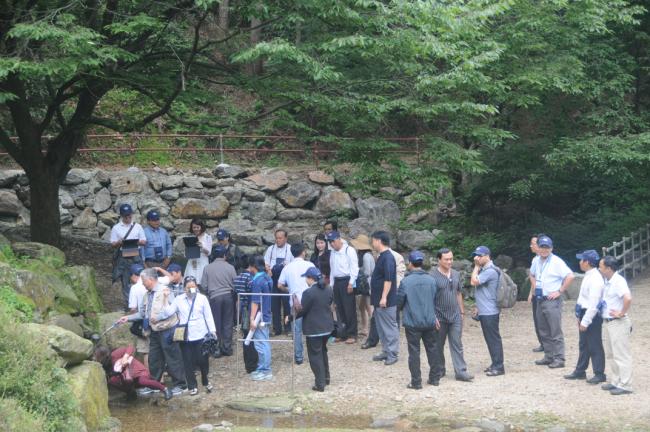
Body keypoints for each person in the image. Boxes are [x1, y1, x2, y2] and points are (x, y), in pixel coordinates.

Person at [118, 268, 187, 395]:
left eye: (143, 281)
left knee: (173, 357)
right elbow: (142, 313)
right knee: (154, 359)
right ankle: (154, 384)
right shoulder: (147, 295)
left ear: (150, 279)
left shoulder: (165, 291)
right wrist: (128, 318)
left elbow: (174, 309)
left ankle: (181, 385)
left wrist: (159, 317)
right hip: (154, 331)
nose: (142, 284)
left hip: (168, 330)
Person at [158, 275, 217, 396]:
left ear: (196, 287)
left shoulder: (202, 298)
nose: (191, 289)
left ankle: (205, 380)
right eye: (188, 287)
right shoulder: (179, 299)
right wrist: (165, 298)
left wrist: (212, 331)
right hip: (186, 336)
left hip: (201, 334)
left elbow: (208, 315)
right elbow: (168, 312)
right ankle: (192, 386)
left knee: (202, 360)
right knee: (188, 362)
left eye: (193, 287)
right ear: (184, 288)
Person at [397, 251, 440, 389]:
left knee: (414, 352)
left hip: (413, 322)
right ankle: (434, 378)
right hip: (429, 321)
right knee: (432, 349)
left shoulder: (405, 282)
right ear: (422, 263)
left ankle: (416, 382)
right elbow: (435, 299)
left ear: (410, 263)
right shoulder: (431, 280)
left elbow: (399, 303)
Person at [531, 235, 575, 369]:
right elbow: (532, 274)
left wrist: (559, 291)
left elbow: (570, 276)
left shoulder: (557, 261)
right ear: (538, 247)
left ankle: (559, 358)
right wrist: (534, 287)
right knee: (543, 329)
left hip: (552, 300)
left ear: (551, 248)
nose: (544, 250)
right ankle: (549, 356)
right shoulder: (536, 260)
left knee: (555, 330)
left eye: (547, 247)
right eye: (542, 247)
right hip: (540, 298)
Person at [564, 250, 606, 384]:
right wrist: (578, 314)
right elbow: (583, 297)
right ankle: (580, 370)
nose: (580, 262)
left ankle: (599, 373)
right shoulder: (589, 275)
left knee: (594, 344)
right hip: (584, 312)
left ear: (587, 262)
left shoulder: (595, 279)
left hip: (591, 315)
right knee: (584, 343)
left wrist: (586, 321)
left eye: (582, 260)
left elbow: (594, 303)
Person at [431, 248, 473, 382]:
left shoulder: (455, 274)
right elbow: (429, 298)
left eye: (451, 259)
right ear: (439, 260)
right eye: (446, 259)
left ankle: (461, 371)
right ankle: (439, 369)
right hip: (439, 316)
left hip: (455, 315)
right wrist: (433, 316)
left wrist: (462, 312)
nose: (450, 262)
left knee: (457, 344)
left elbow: (458, 293)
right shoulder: (432, 276)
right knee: (438, 345)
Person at [599, 256, 633, 395]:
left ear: (608, 268)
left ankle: (626, 384)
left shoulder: (619, 281)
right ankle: (616, 380)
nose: (599, 269)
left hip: (617, 322)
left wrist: (621, 312)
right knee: (611, 353)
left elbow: (628, 298)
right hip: (608, 321)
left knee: (621, 354)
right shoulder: (608, 282)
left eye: (601, 267)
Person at [297, 267, 334, 392]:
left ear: (311, 279)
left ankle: (320, 383)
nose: (305, 280)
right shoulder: (328, 289)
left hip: (314, 329)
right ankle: (326, 378)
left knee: (315, 356)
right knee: (323, 352)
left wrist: (291, 317)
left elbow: (302, 310)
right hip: (327, 327)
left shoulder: (308, 293)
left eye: (306, 278)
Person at [278, 243, 315, 365]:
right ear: (303, 252)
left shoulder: (287, 267)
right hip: (310, 301)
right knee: (312, 328)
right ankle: (314, 353)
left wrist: (289, 290)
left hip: (295, 302)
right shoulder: (310, 265)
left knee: (297, 330)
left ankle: (299, 357)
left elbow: (279, 285)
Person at [470, 246, 505, 377]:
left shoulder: (489, 271)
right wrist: (478, 307)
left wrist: (476, 266)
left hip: (490, 311)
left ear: (487, 256)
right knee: (490, 339)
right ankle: (495, 363)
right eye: (476, 255)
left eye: (479, 256)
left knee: (493, 339)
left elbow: (474, 281)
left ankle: (499, 367)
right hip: (486, 310)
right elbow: (483, 291)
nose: (477, 258)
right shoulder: (486, 269)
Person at [94, 345, 172, 400]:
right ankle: (131, 393)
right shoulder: (103, 365)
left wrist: (125, 357)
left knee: (142, 381)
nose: (95, 358)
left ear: (103, 355)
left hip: (138, 372)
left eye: (97, 356)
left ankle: (165, 389)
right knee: (112, 381)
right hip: (126, 378)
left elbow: (130, 347)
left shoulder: (115, 354)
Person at [370, 231, 399, 365]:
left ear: (379, 241)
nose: (372, 243)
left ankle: (392, 353)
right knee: (381, 327)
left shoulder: (388, 257)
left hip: (386, 301)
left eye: (373, 240)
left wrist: (384, 297)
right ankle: (386, 351)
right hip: (379, 300)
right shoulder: (382, 256)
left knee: (389, 327)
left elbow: (388, 279)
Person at [201, 245, 237, 356]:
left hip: (214, 297)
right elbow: (235, 284)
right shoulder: (230, 267)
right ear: (224, 256)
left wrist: (210, 293)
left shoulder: (207, 268)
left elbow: (203, 286)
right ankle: (226, 347)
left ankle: (216, 349)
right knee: (228, 322)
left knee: (215, 323)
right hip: (228, 296)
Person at [110, 203, 146, 308]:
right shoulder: (116, 228)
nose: (128, 218)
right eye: (126, 216)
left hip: (136, 254)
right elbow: (112, 244)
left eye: (130, 215)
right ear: (122, 216)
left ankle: (141, 303)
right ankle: (130, 305)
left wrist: (137, 242)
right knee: (126, 280)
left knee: (139, 278)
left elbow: (144, 241)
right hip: (123, 255)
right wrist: (120, 242)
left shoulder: (137, 226)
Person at [327, 230, 360, 343]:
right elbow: (332, 270)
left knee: (349, 308)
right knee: (339, 308)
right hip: (337, 281)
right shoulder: (332, 253)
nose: (332, 244)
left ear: (339, 239)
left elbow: (354, 267)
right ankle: (343, 333)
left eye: (333, 241)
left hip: (347, 280)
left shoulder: (348, 250)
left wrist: (351, 283)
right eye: (330, 242)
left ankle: (352, 334)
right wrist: (331, 285)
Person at [264, 229, 294, 336]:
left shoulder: (290, 249)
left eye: (280, 238)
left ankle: (288, 328)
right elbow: (266, 262)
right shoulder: (270, 249)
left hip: (286, 280)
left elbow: (294, 264)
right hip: (273, 278)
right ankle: (276, 328)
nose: (278, 240)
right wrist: (268, 269)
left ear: (286, 238)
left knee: (287, 304)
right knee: (274, 304)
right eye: (276, 238)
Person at [249, 255, 274, 381]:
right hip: (267, 313)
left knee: (261, 344)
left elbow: (255, 302)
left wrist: (252, 319)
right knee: (264, 342)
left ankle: (265, 370)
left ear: (253, 266)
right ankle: (263, 368)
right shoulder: (267, 277)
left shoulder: (257, 281)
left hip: (260, 316)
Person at [234, 257, 258, 374]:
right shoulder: (250, 278)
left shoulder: (237, 277)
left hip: (241, 309)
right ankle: (253, 363)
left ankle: (248, 364)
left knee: (245, 335)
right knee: (251, 335)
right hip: (249, 309)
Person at [351, 234, 374, 337]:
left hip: (368, 285)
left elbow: (367, 272)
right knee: (362, 307)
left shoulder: (366, 256)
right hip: (366, 285)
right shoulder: (366, 255)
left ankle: (373, 330)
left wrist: (358, 271)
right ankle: (365, 329)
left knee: (369, 307)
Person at [127, 263, 149, 371]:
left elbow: (133, 308)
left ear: (133, 275)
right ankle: (161, 375)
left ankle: (149, 376)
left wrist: (130, 318)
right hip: (156, 321)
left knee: (146, 351)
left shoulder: (135, 288)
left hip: (142, 322)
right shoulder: (151, 282)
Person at [527, 234, 545, 353]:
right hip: (535, 293)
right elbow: (532, 277)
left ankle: (547, 343)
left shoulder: (547, 260)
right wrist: (531, 293)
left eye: (533, 243)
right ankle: (542, 343)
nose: (531, 246)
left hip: (544, 293)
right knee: (537, 319)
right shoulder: (535, 260)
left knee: (543, 319)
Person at [185, 218, 212, 283]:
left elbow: (209, 253)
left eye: (197, 227)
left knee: (202, 280)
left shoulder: (207, 237)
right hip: (192, 261)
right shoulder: (190, 237)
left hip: (202, 262)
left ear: (201, 227)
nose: (196, 229)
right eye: (194, 227)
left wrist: (202, 247)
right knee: (190, 281)